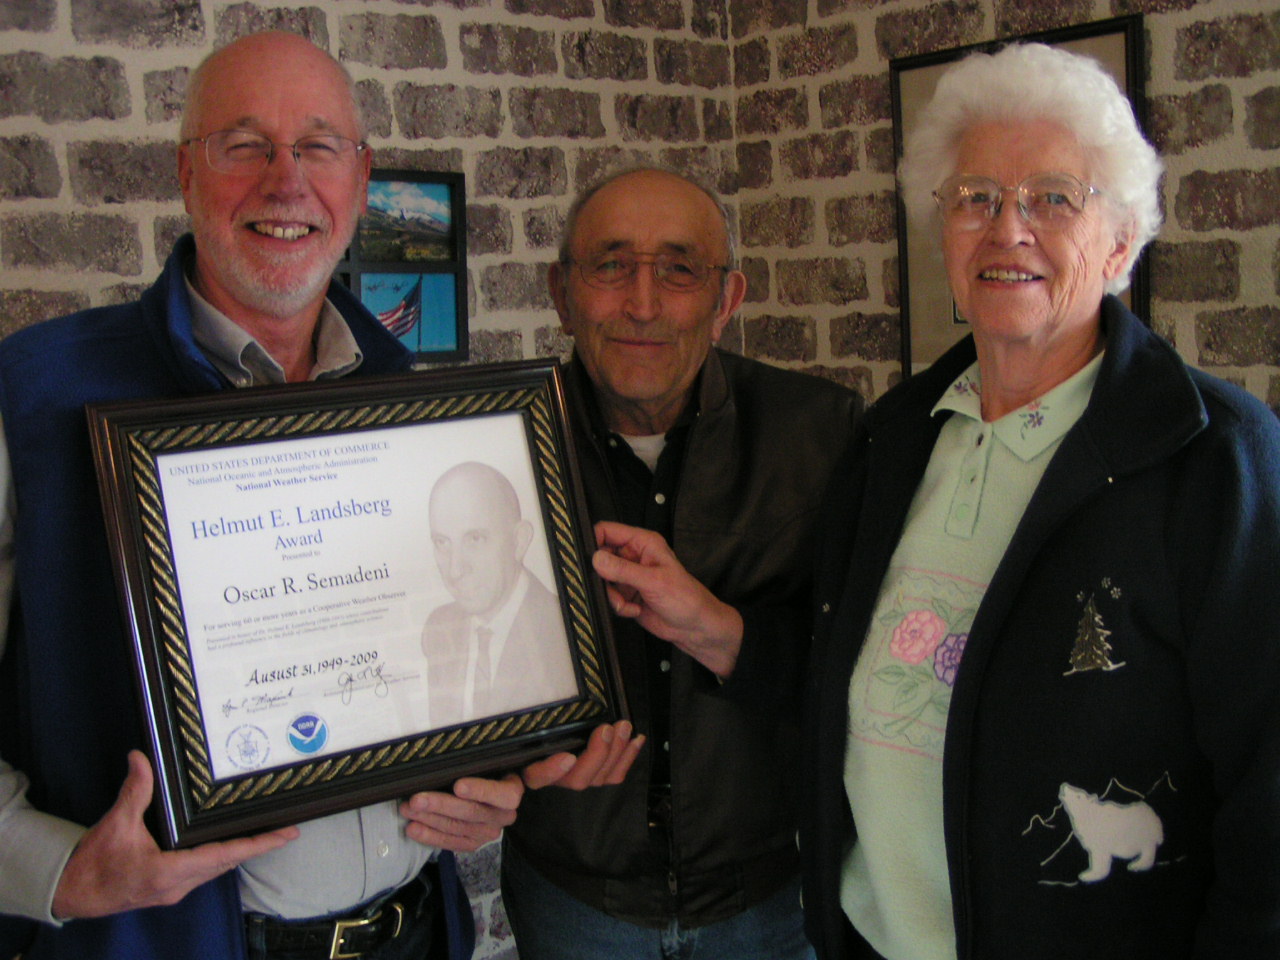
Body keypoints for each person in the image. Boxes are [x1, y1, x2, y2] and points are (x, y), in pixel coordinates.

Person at [594, 44, 1280, 960]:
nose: (1009, 230)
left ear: (1121, 241)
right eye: (976, 199)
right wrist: (708, 623)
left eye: (1053, 198)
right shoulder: (896, 438)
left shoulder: (1216, 458)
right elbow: (853, 672)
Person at [0, 31, 625, 960]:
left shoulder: (414, 400)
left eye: (319, 146)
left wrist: (493, 775)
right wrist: (53, 869)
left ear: (360, 178)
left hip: (415, 934)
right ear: (185, 171)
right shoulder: (34, 395)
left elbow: (433, 688)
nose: (286, 181)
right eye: (244, 145)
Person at [501, 167, 862, 959]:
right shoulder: (500, 448)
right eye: (610, 266)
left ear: (725, 298)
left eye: (678, 270)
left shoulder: (821, 436)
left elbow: (865, 672)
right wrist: (516, 768)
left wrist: (727, 634)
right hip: (574, 899)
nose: (642, 303)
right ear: (562, 292)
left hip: (769, 899)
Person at [423, 461, 578, 724]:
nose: (455, 569)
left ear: (519, 541)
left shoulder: (566, 627)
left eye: (475, 539)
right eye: (442, 543)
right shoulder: (439, 628)